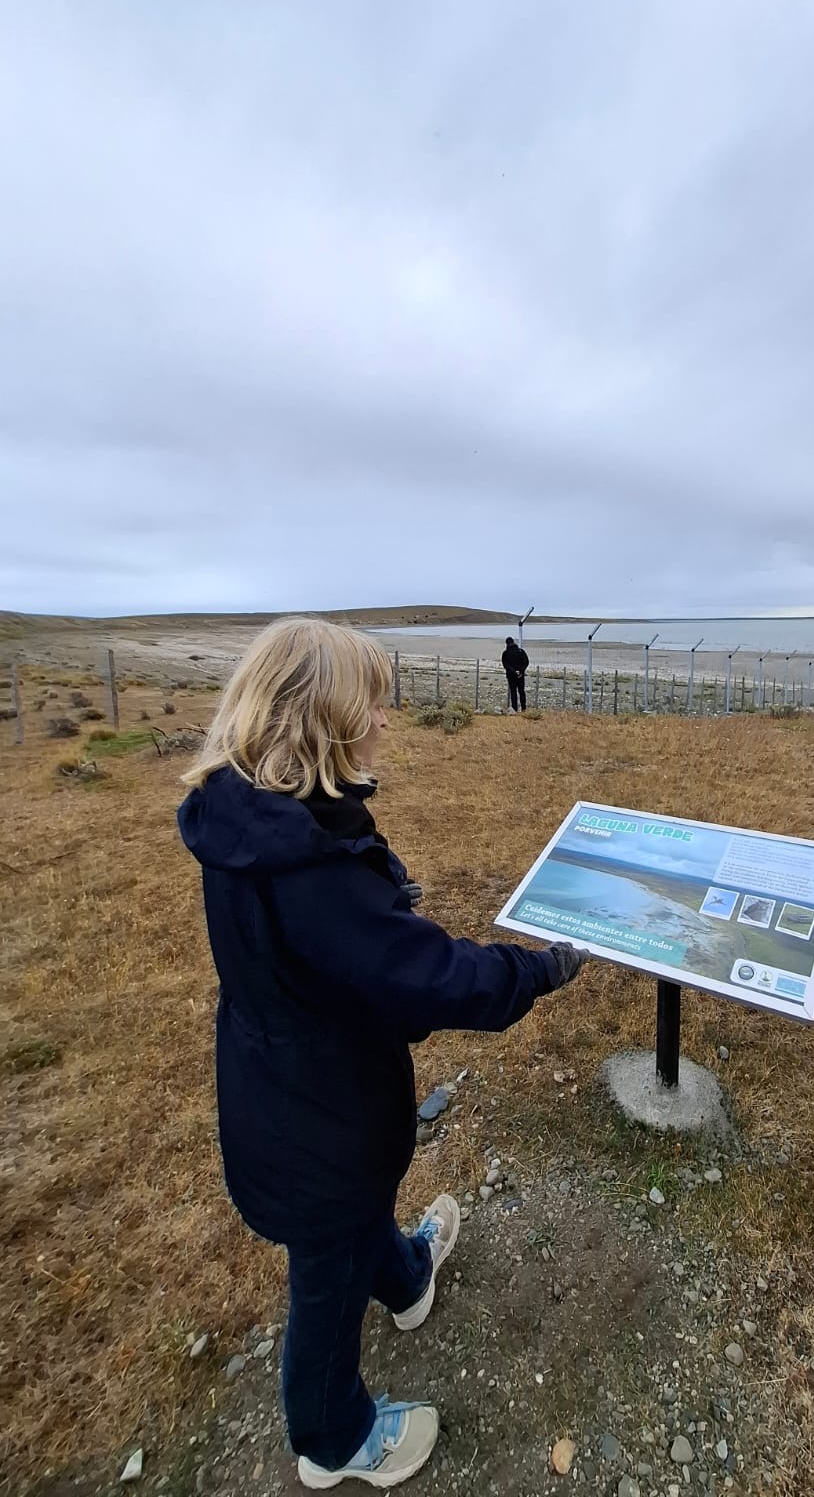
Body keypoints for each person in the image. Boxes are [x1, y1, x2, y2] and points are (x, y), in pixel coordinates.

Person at [177, 618, 587, 1488]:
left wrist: (379, 891)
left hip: (286, 1085)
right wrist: (539, 970)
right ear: (322, 717)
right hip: (316, 1119)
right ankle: (331, 1438)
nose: (388, 721)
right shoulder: (310, 871)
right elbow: (429, 977)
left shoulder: (247, 818)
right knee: (323, 1279)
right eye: (374, 703)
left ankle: (404, 1279)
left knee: (353, 1217)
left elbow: (319, 949)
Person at [501, 635, 529, 712]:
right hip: (520, 675)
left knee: (513, 692)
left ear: (506, 644)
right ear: (513, 642)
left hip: (511, 675)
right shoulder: (521, 651)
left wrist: (513, 671)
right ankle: (523, 708)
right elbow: (526, 662)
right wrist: (521, 671)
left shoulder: (505, 653)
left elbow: (505, 665)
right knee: (521, 691)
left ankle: (514, 708)